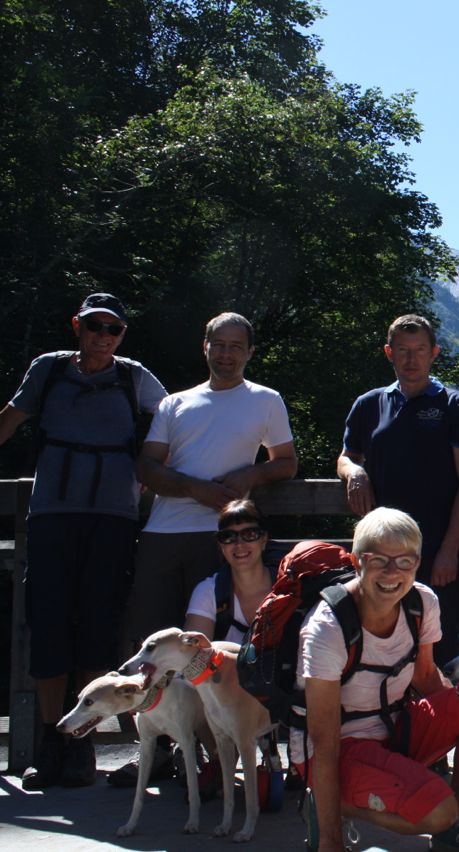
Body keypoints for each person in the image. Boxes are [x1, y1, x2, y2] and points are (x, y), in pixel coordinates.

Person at [0, 293, 166, 790]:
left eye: (113, 329)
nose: (103, 336)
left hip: (114, 519)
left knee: (98, 627)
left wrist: (157, 475)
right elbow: (11, 418)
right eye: (95, 326)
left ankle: (81, 746)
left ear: (122, 335)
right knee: (48, 626)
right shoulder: (49, 369)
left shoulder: (133, 376)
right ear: (77, 325)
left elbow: (176, 421)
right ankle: (51, 743)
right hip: (52, 515)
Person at [297, 507, 459, 852]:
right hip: (340, 747)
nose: (393, 573)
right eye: (379, 560)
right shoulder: (327, 628)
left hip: (394, 728)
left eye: (405, 561)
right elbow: (324, 739)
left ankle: (454, 828)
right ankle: (328, 804)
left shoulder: (421, 603)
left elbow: (426, 677)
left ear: (417, 564)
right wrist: (330, 842)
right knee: (437, 810)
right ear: (357, 561)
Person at [127, 312, 296, 646]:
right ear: (205, 347)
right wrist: (194, 488)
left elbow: (287, 463)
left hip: (222, 538)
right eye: (218, 345)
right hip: (161, 535)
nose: (226, 354)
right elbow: (146, 467)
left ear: (250, 351)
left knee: (208, 645)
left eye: (235, 346)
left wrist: (251, 473)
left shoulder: (266, 400)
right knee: (150, 640)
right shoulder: (174, 404)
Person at [338, 315, 459, 666]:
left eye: (420, 350)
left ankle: (436, 702)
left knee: (438, 644)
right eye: (403, 350)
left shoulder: (456, 406)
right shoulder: (369, 405)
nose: (411, 359)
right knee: (377, 640)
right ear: (389, 352)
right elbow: (346, 456)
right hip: (381, 552)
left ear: (434, 353)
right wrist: (355, 472)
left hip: (436, 550)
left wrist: (450, 549)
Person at [184, 499, 275, 646]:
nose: (239, 544)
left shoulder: (288, 586)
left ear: (264, 538)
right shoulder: (208, 592)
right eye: (228, 536)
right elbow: (193, 655)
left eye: (250, 534)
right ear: (221, 545)